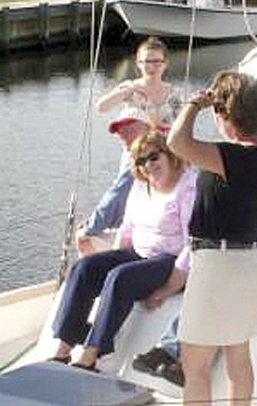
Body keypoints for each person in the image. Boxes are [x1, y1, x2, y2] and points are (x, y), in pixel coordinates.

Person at [139, 71, 257, 406]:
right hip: (247, 263)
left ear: (226, 113)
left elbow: (176, 143)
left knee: (195, 367)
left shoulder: (233, 156)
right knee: (239, 357)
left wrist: (194, 105)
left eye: (220, 110)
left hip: (216, 266)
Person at [132, 128, 257, 384]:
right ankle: (167, 351)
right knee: (206, 290)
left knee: (232, 300)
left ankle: (181, 362)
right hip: (251, 262)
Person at [50, 131, 195, 371]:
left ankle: (90, 357)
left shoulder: (187, 187)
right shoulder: (140, 185)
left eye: (153, 157)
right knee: (84, 268)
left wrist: (169, 287)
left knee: (121, 277)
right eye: (140, 161)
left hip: (170, 260)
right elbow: (127, 228)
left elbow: (193, 243)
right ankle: (63, 350)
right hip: (140, 253)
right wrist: (112, 259)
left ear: (169, 154)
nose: (148, 165)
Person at [75, 115, 149, 255]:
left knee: (85, 237)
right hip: (150, 229)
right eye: (121, 132)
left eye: (130, 130)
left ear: (146, 127)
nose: (124, 135)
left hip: (149, 238)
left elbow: (115, 197)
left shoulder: (139, 161)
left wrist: (90, 228)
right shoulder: (164, 154)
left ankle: (95, 276)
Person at [96, 36, 183, 131]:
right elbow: (101, 107)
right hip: (135, 145)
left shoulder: (175, 93)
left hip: (163, 144)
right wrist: (126, 92)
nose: (151, 66)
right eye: (147, 62)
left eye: (157, 62)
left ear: (165, 63)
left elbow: (180, 128)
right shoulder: (130, 87)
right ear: (139, 63)